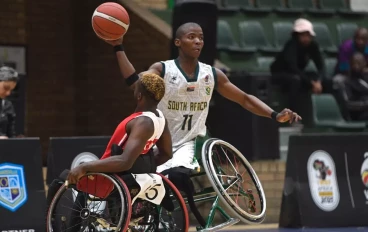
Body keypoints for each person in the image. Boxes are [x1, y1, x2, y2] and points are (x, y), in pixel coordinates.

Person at [104, 22, 301, 176]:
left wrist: (275, 115)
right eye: (191, 37)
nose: (198, 41)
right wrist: (118, 46)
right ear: (178, 42)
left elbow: (245, 99)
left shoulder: (211, 74)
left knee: (174, 176)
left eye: (201, 37)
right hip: (159, 141)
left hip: (191, 142)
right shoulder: (163, 69)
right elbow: (136, 83)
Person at [66, 73, 172, 184]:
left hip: (110, 177)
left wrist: (85, 166)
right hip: (133, 177)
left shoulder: (143, 122)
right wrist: (145, 165)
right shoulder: (161, 118)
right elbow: (167, 154)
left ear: (139, 96)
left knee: (59, 182)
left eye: (135, 89)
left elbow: (125, 162)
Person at [271, 18, 325, 111]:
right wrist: (311, 83)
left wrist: (318, 81)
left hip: (298, 74)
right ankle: (292, 115)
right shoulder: (291, 45)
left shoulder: (313, 46)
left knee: (321, 78)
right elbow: (293, 68)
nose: (306, 38)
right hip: (280, 74)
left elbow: (321, 66)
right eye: (303, 35)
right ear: (296, 35)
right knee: (295, 80)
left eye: (308, 35)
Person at [335, 52, 368, 121]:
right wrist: (365, 104)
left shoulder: (366, 78)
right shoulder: (346, 82)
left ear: (365, 64)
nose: (356, 66)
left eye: (359, 63)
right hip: (358, 114)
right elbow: (348, 104)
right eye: (354, 63)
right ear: (350, 65)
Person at [0, 66, 19, 139]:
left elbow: (11, 134)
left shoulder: (8, 105)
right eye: (6, 88)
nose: (8, 93)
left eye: (11, 90)